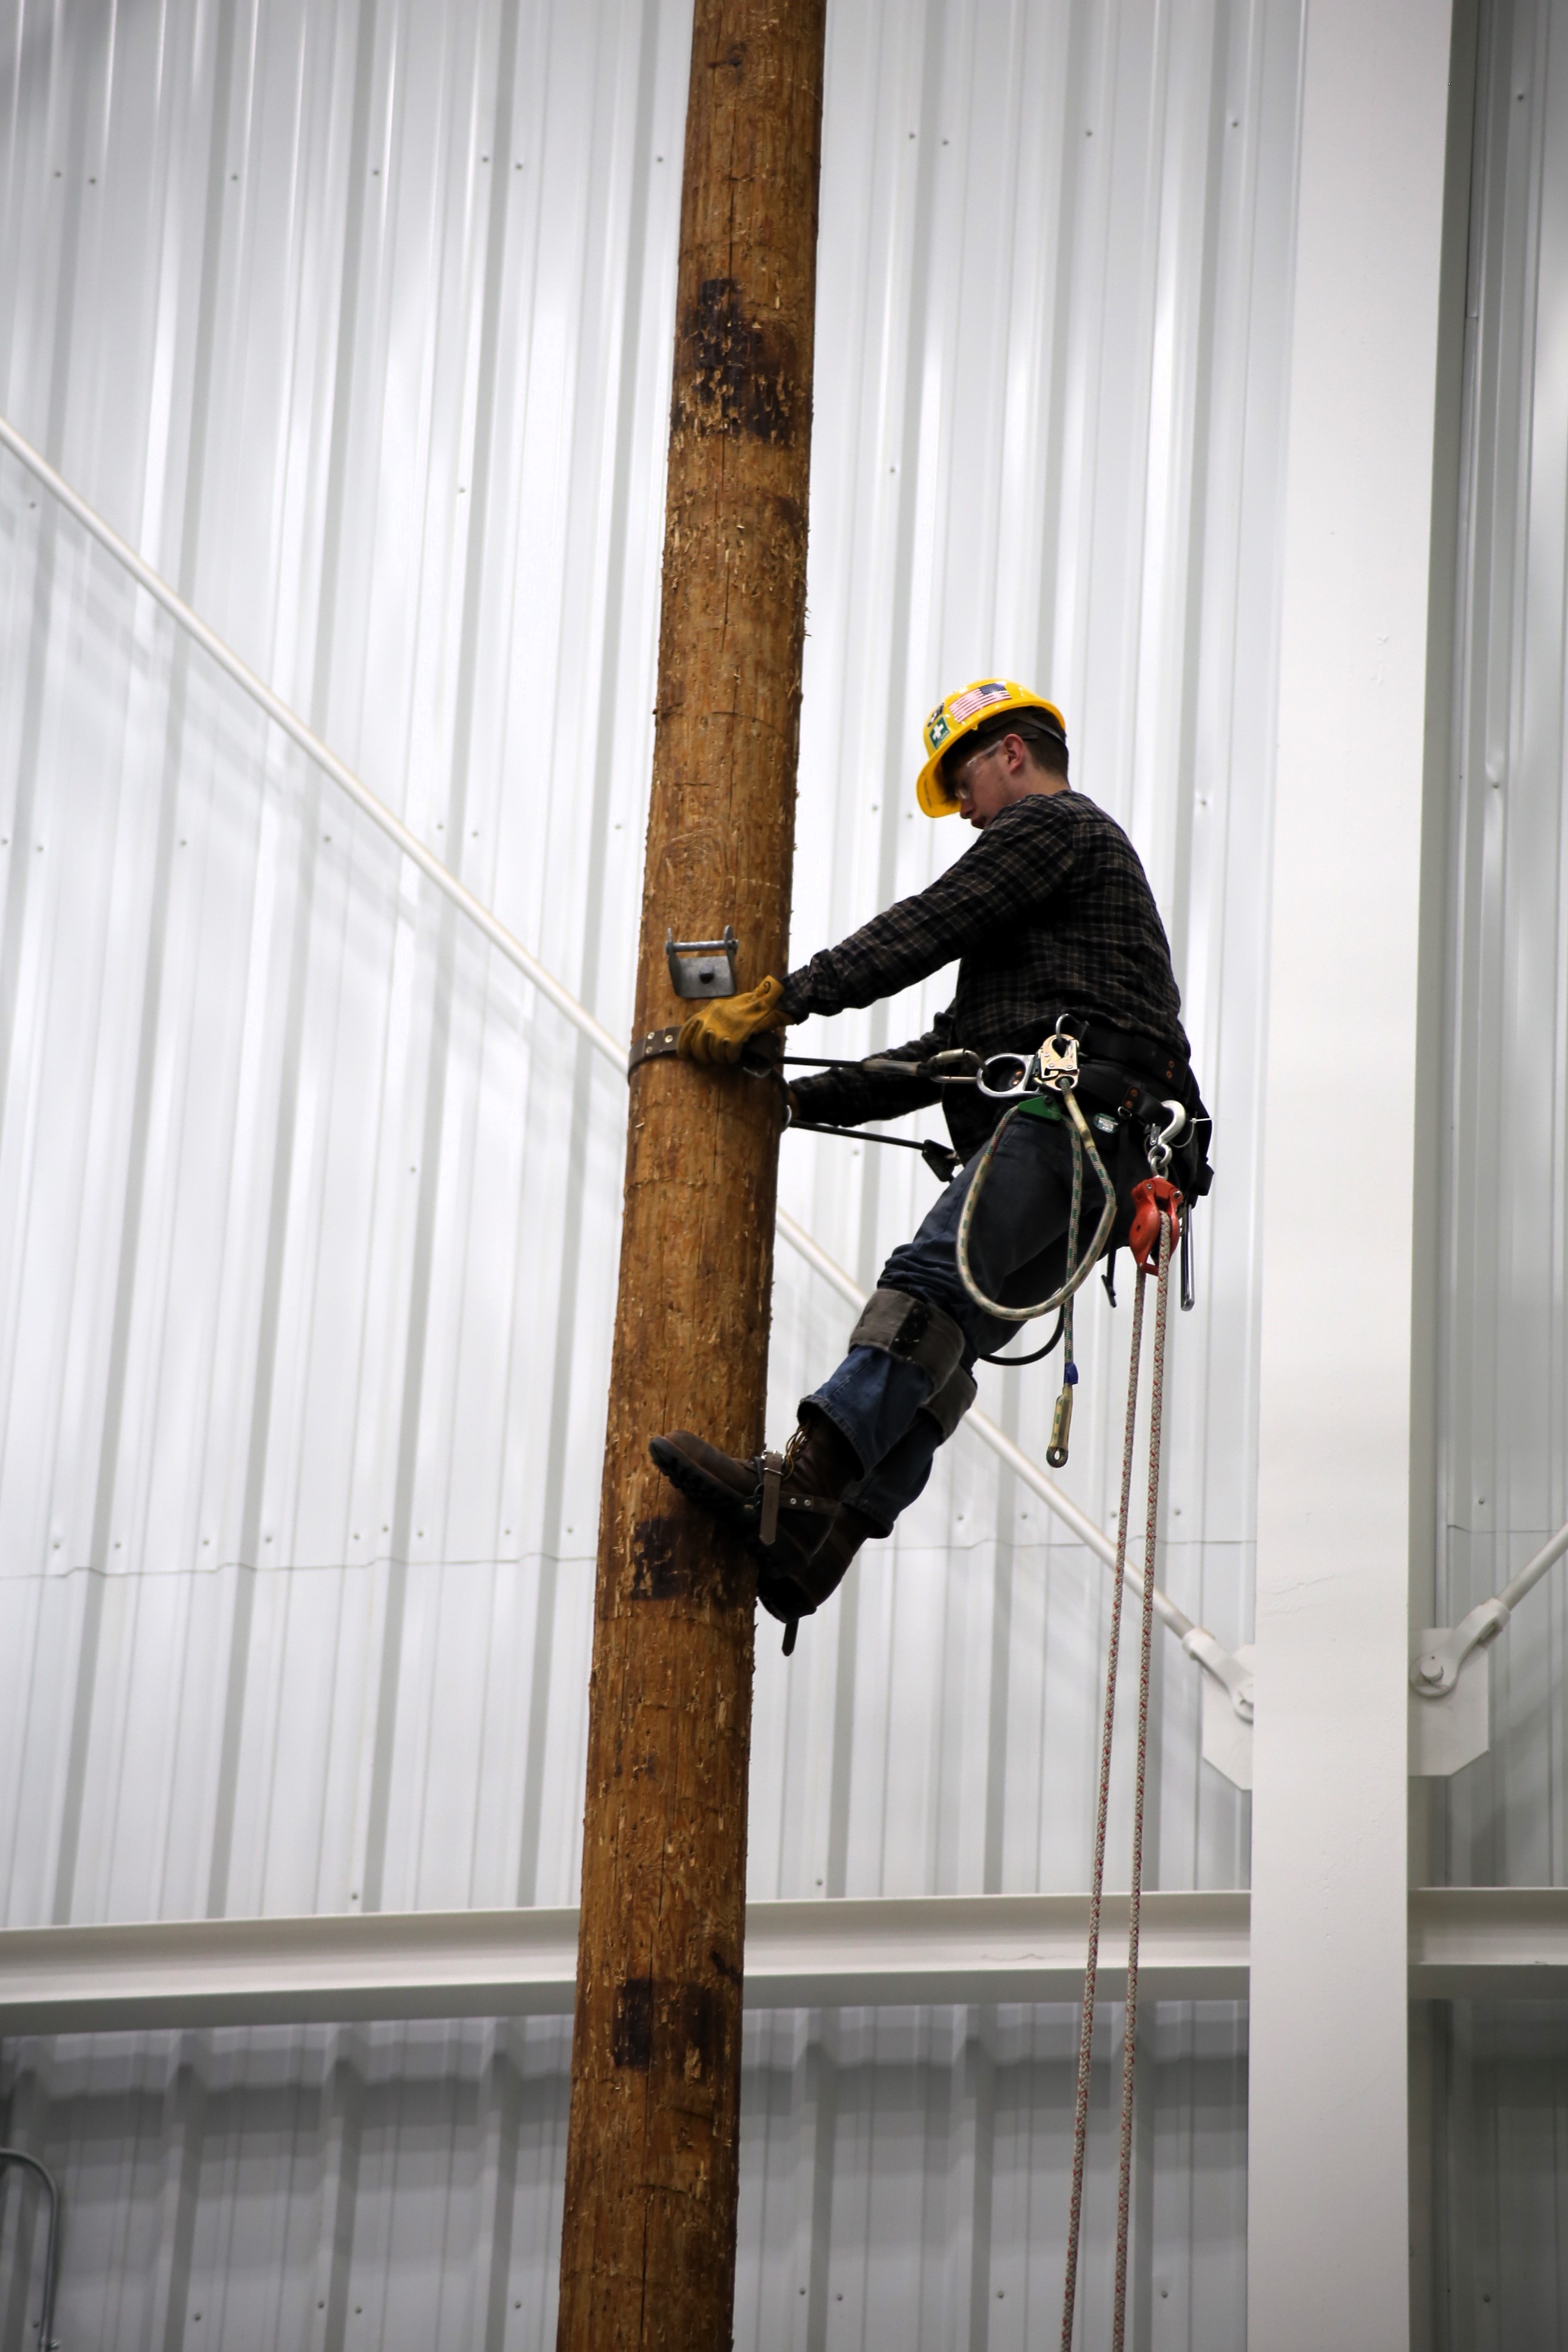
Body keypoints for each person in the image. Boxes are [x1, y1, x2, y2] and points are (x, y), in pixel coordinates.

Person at [649, 678, 1211, 1643]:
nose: (963, 812)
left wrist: (784, 1001)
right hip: (1104, 1159)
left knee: (926, 1289)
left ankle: (803, 1484)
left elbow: (923, 928)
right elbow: (942, 1059)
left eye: (963, 785)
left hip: (1071, 1123)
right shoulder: (1049, 938)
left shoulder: (1052, 829)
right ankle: (817, 1547)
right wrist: (793, 1099)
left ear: (1009, 755)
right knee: (944, 1346)